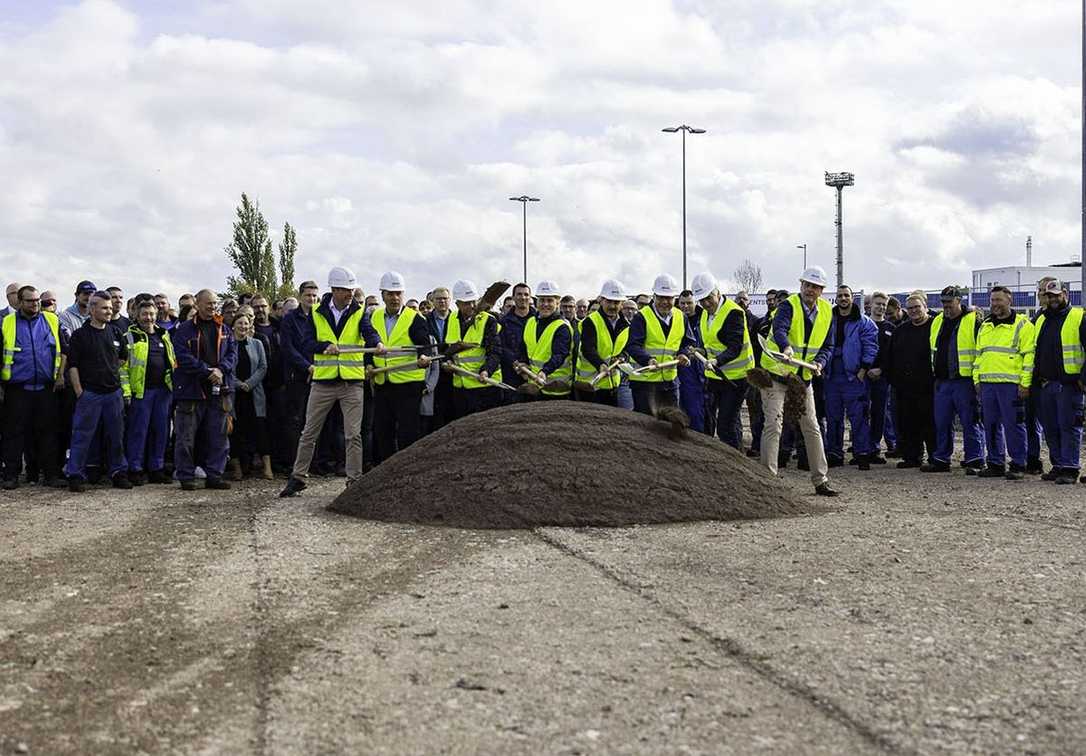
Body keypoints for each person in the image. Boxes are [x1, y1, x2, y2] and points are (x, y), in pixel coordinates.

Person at [758, 266, 837, 497]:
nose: (810, 290)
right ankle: (768, 482)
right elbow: (780, 329)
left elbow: (828, 345)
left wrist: (820, 362)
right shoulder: (788, 305)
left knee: (811, 426)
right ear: (801, 285)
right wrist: (786, 347)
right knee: (773, 425)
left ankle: (821, 480)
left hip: (803, 379)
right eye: (807, 285)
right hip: (776, 374)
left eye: (815, 287)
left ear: (821, 290)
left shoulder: (826, 311)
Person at [362, 271, 434, 463]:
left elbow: (424, 344)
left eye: (398, 293)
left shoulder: (415, 318)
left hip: (408, 385)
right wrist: (368, 364)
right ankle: (385, 470)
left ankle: (408, 468)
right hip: (382, 383)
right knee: (382, 431)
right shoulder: (374, 317)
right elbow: (368, 346)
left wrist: (424, 356)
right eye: (390, 294)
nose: (395, 298)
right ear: (383, 295)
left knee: (408, 432)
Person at [172, 289, 237, 491]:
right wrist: (207, 371)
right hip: (191, 391)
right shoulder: (184, 330)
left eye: (215, 303)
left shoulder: (225, 329)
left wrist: (221, 370)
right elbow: (183, 357)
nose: (213, 307)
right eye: (209, 303)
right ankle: (186, 476)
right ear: (197, 304)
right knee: (186, 437)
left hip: (219, 391)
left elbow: (232, 354)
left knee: (219, 436)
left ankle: (214, 475)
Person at [65, 291, 130, 492]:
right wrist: (80, 392)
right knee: (82, 437)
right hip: (90, 394)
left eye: (110, 308)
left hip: (113, 394)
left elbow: (122, 359)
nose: (109, 311)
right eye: (104, 308)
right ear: (92, 309)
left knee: (116, 436)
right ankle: (75, 475)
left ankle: (118, 472)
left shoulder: (116, 333)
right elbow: (73, 366)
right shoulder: (80, 335)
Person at [1, 286, 65, 488]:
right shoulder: (7, 322)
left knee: (48, 434)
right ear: (20, 302)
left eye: (37, 300)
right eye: (30, 301)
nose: (35, 304)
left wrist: (60, 376)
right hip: (17, 388)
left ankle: (51, 475)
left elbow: (64, 349)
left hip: (46, 388)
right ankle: (11, 475)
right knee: (14, 434)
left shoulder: (52, 320)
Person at [973, 286, 1035, 480]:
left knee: (1014, 426)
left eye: (999, 300)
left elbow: (1029, 357)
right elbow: (978, 355)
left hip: (1011, 385)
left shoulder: (1023, 325)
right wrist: (977, 379)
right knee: (990, 425)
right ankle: (995, 463)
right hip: (987, 384)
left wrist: (1025, 384)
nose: (995, 304)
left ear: (1009, 300)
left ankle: (1018, 464)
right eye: (992, 300)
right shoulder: (985, 325)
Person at [922, 285, 985, 474]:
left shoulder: (974, 319)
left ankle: (975, 459)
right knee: (941, 422)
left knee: (970, 421)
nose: (946, 305)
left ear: (959, 300)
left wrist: (977, 378)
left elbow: (982, 348)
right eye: (943, 302)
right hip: (942, 381)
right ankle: (941, 459)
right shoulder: (938, 321)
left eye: (949, 302)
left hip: (964, 380)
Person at [1032, 279, 1086, 485]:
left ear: (1065, 294)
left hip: (1069, 385)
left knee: (1069, 427)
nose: (1053, 299)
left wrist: (1083, 378)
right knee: (1050, 428)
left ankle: (1070, 468)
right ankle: (1058, 465)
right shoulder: (1040, 319)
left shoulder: (1079, 317)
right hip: (1045, 384)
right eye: (1049, 296)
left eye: (1056, 295)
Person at [691, 273, 753, 449]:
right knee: (714, 420)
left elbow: (735, 347)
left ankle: (735, 459)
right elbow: (712, 343)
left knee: (726, 425)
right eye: (701, 300)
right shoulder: (705, 314)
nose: (705, 303)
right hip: (715, 377)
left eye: (708, 298)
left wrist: (717, 361)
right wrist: (701, 351)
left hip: (736, 378)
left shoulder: (734, 313)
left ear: (717, 292)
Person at [823, 285, 879, 470]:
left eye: (846, 295)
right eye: (840, 295)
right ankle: (834, 454)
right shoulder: (827, 319)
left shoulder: (864, 322)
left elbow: (871, 346)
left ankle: (862, 454)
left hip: (854, 376)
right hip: (832, 374)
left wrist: (863, 369)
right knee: (833, 417)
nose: (843, 298)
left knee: (859, 417)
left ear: (852, 298)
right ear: (836, 299)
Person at [121, 299, 175, 485]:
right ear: (137, 315)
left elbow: (171, 361)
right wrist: (127, 392)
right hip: (140, 392)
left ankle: (156, 468)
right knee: (138, 432)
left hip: (163, 392)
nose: (149, 318)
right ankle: (135, 469)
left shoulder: (164, 335)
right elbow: (123, 368)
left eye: (151, 314)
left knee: (161, 432)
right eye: (144, 314)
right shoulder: (129, 336)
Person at [626, 274, 694, 416]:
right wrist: (648, 359)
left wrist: (683, 354)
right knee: (646, 423)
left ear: (674, 298)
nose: (664, 302)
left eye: (668, 298)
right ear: (654, 296)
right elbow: (633, 346)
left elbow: (688, 343)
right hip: (645, 383)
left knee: (671, 421)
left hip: (670, 382)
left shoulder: (681, 317)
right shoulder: (641, 317)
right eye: (661, 297)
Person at [884, 294, 936, 468]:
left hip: (929, 386)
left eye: (917, 307)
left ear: (925, 307)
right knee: (908, 423)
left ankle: (935, 457)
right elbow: (890, 356)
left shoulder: (935, 326)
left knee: (930, 424)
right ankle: (912, 457)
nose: (914, 311)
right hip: (905, 387)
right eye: (910, 308)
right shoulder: (901, 331)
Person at [444, 280, 503, 417]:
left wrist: (487, 370)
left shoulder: (488, 320)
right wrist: (447, 362)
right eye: (466, 303)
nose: (471, 306)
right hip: (460, 388)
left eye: (473, 302)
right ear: (457, 304)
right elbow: (448, 348)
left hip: (485, 388)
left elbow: (495, 351)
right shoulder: (451, 319)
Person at [229, 312, 273, 480]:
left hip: (254, 393)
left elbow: (263, 366)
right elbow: (225, 367)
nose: (243, 326)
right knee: (236, 432)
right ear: (233, 326)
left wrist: (249, 383)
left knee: (260, 430)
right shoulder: (227, 344)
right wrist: (238, 384)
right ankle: (237, 468)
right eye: (240, 323)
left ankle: (267, 467)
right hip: (235, 395)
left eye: (246, 323)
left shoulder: (257, 343)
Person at [516, 280, 574, 401]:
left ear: (557, 303)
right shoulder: (530, 322)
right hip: (534, 387)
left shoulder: (562, 327)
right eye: (542, 300)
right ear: (537, 302)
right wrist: (523, 362)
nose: (545, 304)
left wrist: (544, 371)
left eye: (550, 300)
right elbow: (524, 347)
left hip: (557, 389)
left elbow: (560, 354)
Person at [575, 279, 630, 406]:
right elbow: (588, 349)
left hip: (612, 384)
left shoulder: (625, 325)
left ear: (622, 304)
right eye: (609, 301)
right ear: (601, 300)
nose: (612, 306)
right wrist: (600, 364)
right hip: (590, 385)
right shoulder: (591, 321)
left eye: (616, 302)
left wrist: (623, 356)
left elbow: (626, 348)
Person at [250, 294, 286, 472]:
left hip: (278, 382)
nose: (260, 310)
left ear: (268, 307)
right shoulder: (251, 330)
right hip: (258, 384)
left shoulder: (279, 327)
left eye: (263, 306)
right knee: (260, 423)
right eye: (256, 307)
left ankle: (278, 460)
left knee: (279, 422)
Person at [867, 291, 897, 461]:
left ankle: (874, 448)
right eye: (878, 304)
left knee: (879, 414)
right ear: (871, 305)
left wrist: (881, 370)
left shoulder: (891, 329)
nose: (881, 307)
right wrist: (864, 369)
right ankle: (861, 448)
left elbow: (893, 355)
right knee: (861, 413)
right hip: (862, 376)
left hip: (882, 378)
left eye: (884, 305)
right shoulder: (862, 324)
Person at [675, 289, 706, 432]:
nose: (685, 306)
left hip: (698, 371)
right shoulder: (675, 319)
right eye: (682, 303)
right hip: (678, 368)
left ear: (695, 302)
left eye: (689, 303)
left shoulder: (704, 318)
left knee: (697, 411)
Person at [425, 286, 455, 432]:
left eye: (445, 298)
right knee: (435, 414)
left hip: (453, 371)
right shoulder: (425, 320)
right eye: (438, 299)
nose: (442, 301)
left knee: (452, 411)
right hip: (433, 372)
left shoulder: (456, 319)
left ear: (450, 300)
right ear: (432, 301)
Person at [499, 283, 536, 394]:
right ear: (514, 297)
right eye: (519, 294)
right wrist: (517, 364)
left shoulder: (539, 319)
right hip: (511, 374)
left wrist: (529, 366)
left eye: (526, 294)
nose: (523, 297)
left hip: (535, 372)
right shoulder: (503, 322)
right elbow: (502, 346)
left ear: (530, 297)